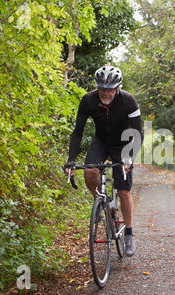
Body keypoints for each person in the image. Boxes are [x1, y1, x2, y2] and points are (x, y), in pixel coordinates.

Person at [64, 65, 144, 257]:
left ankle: (129, 234)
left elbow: (138, 133)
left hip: (123, 144)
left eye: (110, 89)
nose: (106, 93)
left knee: (124, 191)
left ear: (118, 88)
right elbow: (78, 132)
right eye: (102, 88)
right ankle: (100, 201)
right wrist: (71, 160)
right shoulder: (88, 100)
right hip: (100, 142)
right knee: (89, 172)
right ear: (97, 87)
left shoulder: (128, 101)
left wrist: (129, 158)